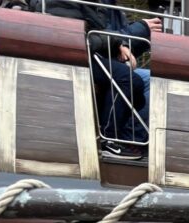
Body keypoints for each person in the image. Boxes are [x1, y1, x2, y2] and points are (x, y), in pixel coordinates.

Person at [33, 0, 161, 160]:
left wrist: (122, 44)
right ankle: (109, 140)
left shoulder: (101, 6)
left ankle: (129, 140)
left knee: (147, 80)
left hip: (92, 53)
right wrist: (125, 39)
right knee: (128, 80)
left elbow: (99, 32)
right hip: (69, 55)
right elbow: (73, 35)